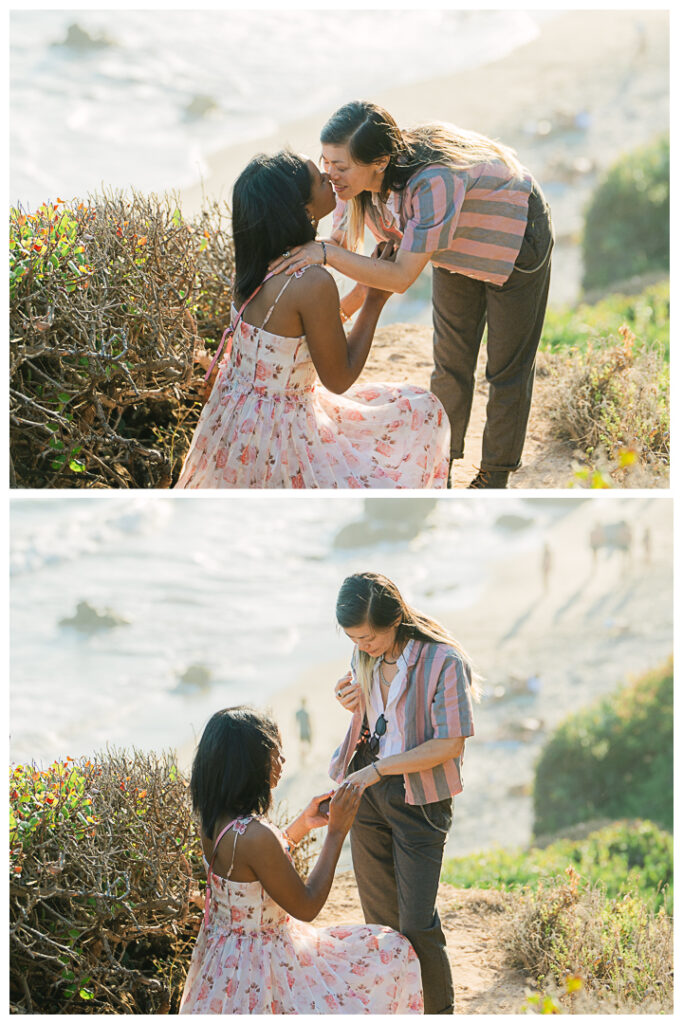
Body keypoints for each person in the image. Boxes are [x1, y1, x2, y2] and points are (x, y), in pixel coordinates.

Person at [272, 101, 554, 489]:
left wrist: (326, 254)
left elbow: (401, 276)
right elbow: (339, 242)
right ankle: (443, 463)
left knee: (505, 367)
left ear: (380, 161)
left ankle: (494, 475)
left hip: (513, 236)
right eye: (326, 163)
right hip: (452, 249)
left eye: (340, 166)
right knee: (450, 361)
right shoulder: (350, 184)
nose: (331, 175)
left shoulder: (431, 182)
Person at [175, 149, 449, 488]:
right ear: (305, 210)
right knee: (420, 411)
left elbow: (297, 332)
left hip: (236, 422)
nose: (328, 177)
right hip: (281, 435)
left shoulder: (254, 262)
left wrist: (360, 291)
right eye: (320, 179)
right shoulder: (311, 281)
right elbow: (339, 378)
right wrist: (376, 300)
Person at [180, 706, 423, 1014]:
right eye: (276, 753)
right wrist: (336, 832)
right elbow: (307, 906)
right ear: (249, 763)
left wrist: (302, 825)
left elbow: (251, 870)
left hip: (228, 960)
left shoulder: (214, 820)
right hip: (266, 962)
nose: (282, 762)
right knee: (392, 948)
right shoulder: (257, 836)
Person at [330, 573, 479, 1014]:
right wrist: (349, 700)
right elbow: (372, 719)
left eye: (370, 636)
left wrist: (380, 770)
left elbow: (450, 743)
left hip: (420, 797)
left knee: (416, 922)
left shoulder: (443, 662)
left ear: (395, 618)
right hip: (365, 787)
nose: (363, 644)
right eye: (354, 638)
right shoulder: (363, 654)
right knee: (380, 920)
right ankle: (396, 1008)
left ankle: (438, 1013)